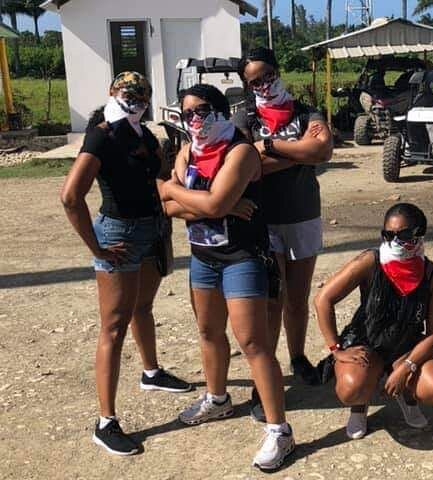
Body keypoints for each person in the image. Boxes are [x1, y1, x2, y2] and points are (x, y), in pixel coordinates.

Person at [159, 84, 294, 470]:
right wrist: (218, 207)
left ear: (221, 111)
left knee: (254, 343)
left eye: (203, 111)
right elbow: (169, 207)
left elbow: (197, 198)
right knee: (208, 332)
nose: (196, 120)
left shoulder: (240, 151)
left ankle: (279, 430)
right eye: (188, 114)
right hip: (203, 259)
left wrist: (190, 195)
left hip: (242, 257)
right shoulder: (188, 151)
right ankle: (217, 398)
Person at [60, 72, 191, 456]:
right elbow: (71, 196)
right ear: (112, 94)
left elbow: (160, 180)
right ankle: (105, 422)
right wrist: (97, 248)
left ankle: (151, 372)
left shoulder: (144, 134)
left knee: (144, 308)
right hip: (119, 233)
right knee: (114, 327)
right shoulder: (103, 134)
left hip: (151, 231)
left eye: (141, 93)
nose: (135, 99)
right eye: (127, 93)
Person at [235, 47, 333, 419]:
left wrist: (272, 146)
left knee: (298, 297)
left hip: (303, 213)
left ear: (277, 71)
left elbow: (323, 150)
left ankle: (297, 357)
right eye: (253, 80)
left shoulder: (305, 111)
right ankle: (267, 377)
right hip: (265, 219)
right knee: (272, 300)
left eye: (266, 75)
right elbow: (248, 165)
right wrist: (300, 152)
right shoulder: (244, 116)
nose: (262, 84)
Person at [314, 203, 433, 440]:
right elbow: (323, 299)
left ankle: (406, 395)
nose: (395, 242)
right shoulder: (371, 261)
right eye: (389, 235)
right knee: (351, 389)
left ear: (419, 233)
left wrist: (409, 365)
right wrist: (336, 349)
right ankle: (360, 403)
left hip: (405, 346)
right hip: (367, 343)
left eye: (404, 235)